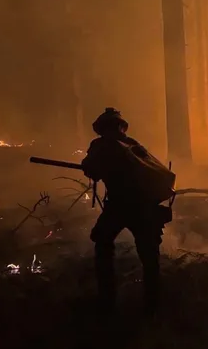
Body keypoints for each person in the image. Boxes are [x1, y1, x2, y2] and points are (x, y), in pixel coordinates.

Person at [81, 107, 166, 314]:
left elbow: (91, 170)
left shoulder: (101, 145)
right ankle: (153, 304)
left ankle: (107, 300)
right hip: (145, 206)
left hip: (120, 205)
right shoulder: (134, 145)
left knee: (102, 243)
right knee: (149, 256)